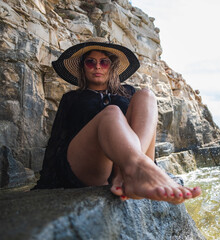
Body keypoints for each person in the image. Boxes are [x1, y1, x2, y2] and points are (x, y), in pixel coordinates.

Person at [34, 37, 201, 204]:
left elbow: (143, 127)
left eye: (104, 62)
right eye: (90, 62)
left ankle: (130, 172)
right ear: (83, 68)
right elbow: (57, 140)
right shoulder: (71, 98)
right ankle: (136, 168)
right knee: (111, 113)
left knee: (147, 95)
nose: (97, 66)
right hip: (89, 165)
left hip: (123, 162)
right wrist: (46, 183)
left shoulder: (128, 92)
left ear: (111, 67)